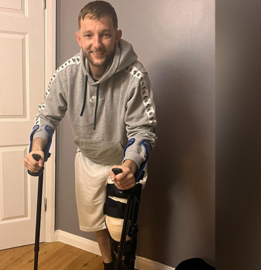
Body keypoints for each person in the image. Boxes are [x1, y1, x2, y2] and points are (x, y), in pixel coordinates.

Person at [24, 1, 157, 269]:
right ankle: (109, 264)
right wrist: (38, 147)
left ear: (117, 35)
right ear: (79, 37)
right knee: (95, 223)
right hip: (87, 159)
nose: (96, 43)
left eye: (105, 34)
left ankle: (124, 265)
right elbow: (47, 115)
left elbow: (143, 129)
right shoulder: (66, 73)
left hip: (120, 161)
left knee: (121, 229)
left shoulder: (135, 75)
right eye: (89, 35)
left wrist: (130, 166)